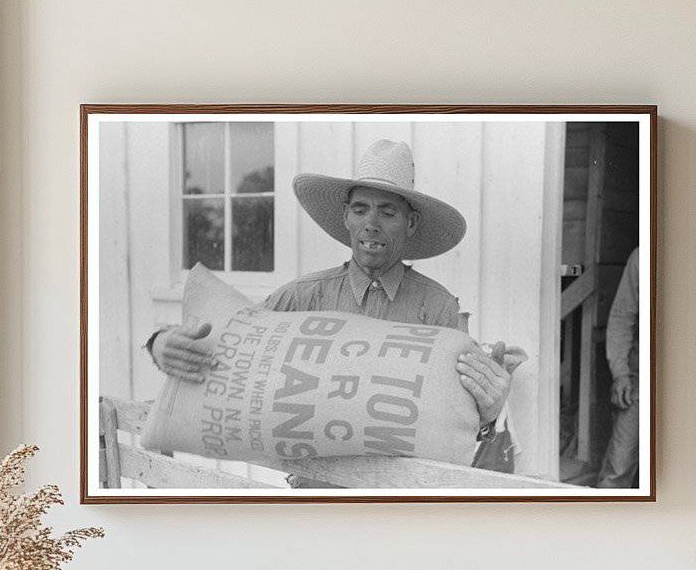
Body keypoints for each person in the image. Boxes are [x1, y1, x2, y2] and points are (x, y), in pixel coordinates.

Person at [147, 138, 524, 441]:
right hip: (316, 487)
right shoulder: (302, 296)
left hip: (400, 493)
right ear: (345, 216)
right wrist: (161, 344)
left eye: (387, 212)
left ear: (410, 223)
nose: (371, 224)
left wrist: (488, 413)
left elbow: (458, 424)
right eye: (360, 210)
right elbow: (230, 343)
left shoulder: (438, 308)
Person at [597, 248, 640, 487]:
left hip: (693, 377)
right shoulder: (641, 258)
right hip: (641, 375)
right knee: (619, 465)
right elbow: (622, 316)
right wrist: (621, 373)